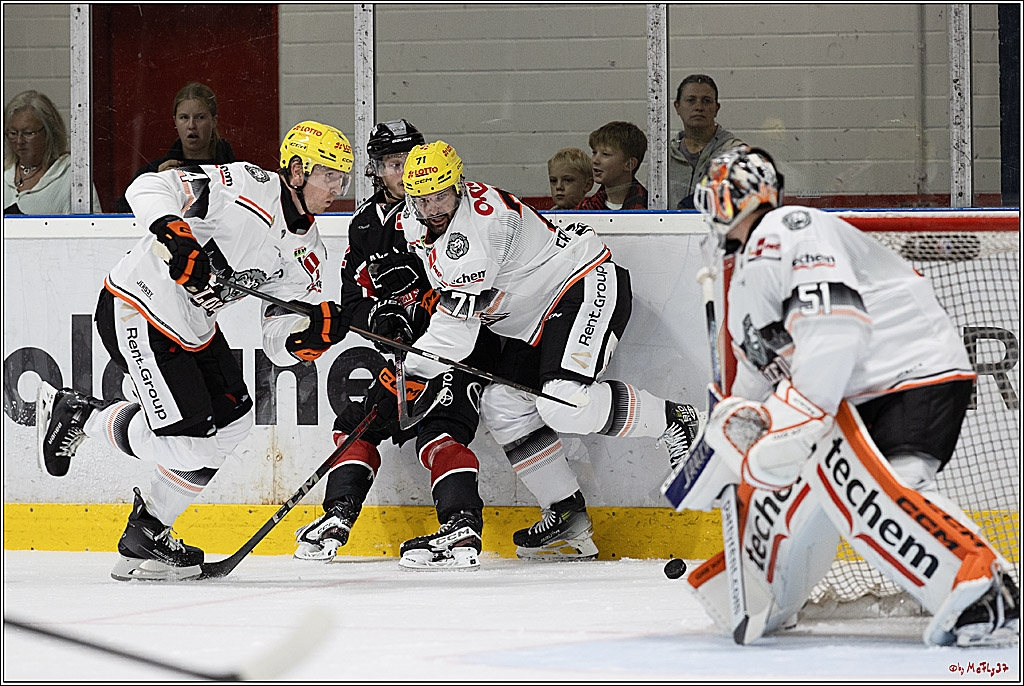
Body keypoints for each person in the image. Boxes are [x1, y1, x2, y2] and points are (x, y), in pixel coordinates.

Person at [676, 145, 1018, 647]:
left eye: (719, 193)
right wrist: (730, 447)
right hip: (851, 394)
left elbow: (835, 324)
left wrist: (804, 417)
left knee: (876, 491)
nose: (711, 204)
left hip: (906, 372)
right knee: (803, 498)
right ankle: (765, 593)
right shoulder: (744, 269)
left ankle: (986, 590)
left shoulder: (788, 227)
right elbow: (757, 377)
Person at [35, 120, 355, 582]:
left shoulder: (308, 252)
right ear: (298, 170)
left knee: (233, 423)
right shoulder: (244, 185)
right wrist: (175, 234)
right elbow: (149, 187)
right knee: (188, 446)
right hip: (138, 305)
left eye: (343, 179)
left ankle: (146, 533)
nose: (337, 188)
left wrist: (307, 340)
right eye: (330, 176)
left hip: (194, 327)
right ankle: (79, 413)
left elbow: (276, 337)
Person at [395, 140, 701, 561]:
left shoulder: (481, 230)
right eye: (422, 199)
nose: (432, 208)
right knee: (503, 402)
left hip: (583, 285)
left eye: (441, 196)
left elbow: (456, 336)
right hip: (537, 319)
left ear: (460, 185)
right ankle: (566, 514)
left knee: (562, 403)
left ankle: (676, 419)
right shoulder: (418, 220)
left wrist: (410, 373)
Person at [290, 119, 499, 571]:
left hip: (451, 346)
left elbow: (463, 285)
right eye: (390, 163)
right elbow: (353, 295)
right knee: (357, 426)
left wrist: (419, 315)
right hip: (401, 355)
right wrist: (378, 320)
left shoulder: (442, 212)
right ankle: (337, 515)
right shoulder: (365, 223)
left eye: (407, 160)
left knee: (440, 433)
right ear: (376, 169)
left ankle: (462, 523)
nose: (402, 171)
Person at [114, 82, 236, 214]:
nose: (191, 125)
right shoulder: (155, 172)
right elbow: (124, 214)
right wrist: (156, 184)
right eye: (184, 117)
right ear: (175, 122)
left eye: (200, 117)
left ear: (214, 121)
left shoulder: (237, 173)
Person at [3, 90, 102, 214]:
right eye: (13, 133)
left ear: (49, 132)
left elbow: (92, 227)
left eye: (28, 133)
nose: (19, 141)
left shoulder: (72, 175)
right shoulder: (5, 172)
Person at [669, 74, 742, 210]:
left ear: (717, 108)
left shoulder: (734, 153)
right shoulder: (665, 158)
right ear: (677, 107)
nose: (699, 107)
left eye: (706, 101)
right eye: (690, 100)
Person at [576, 121, 648, 210]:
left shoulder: (649, 208)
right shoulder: (585, 209)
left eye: (605, 154)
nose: (595, 160)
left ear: (629, 164)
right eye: (594, 152)